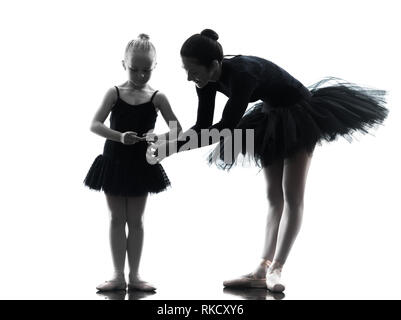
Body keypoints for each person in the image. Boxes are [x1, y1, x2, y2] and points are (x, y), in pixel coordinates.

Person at [147, 29, 388, 293]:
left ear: (214, 65)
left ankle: (277, 268)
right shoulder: (205, 83)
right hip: (269, 116)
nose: (188, 77)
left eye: (193, 70)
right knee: (273, 197)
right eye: (185, 70)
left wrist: (171, 149)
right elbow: (203, 126)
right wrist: (170, 145)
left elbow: (226, 128)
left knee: (292, 195)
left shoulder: (243, 74)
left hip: (299, 115)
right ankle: (261, 268)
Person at [84, 34, 182, 292]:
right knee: (117, 219)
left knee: (136, 221)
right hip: (114, 162)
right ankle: (117, 276)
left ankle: (135, 276)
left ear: (155, 67)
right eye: (134, 69)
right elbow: (95, 124)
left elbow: (177, 130)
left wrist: (156, 137)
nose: (140, 75)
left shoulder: (158, 97)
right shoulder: (114, 92)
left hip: (141, 165)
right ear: (123, 65)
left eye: (146, 70)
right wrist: (120, 137)